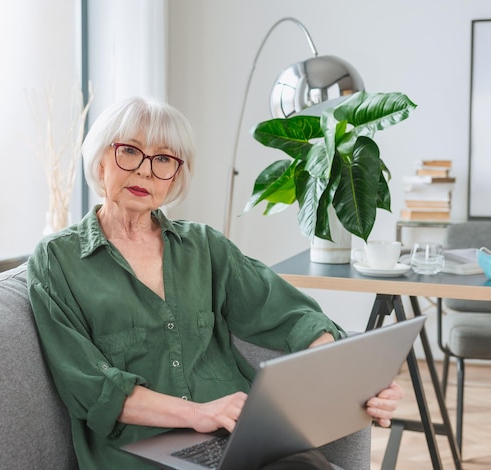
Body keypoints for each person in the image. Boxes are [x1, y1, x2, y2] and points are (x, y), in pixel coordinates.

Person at [27, 96, 403, 469]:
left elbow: (291, 315)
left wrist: (352, 379)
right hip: (140, 452)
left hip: (240, 436)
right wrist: (198, 413)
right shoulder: (57, 260)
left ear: (176, 174)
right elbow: (92, 387)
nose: (145, 171)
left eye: (163, 159)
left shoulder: (204, 247)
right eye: (130, 151)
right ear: (100, 158)